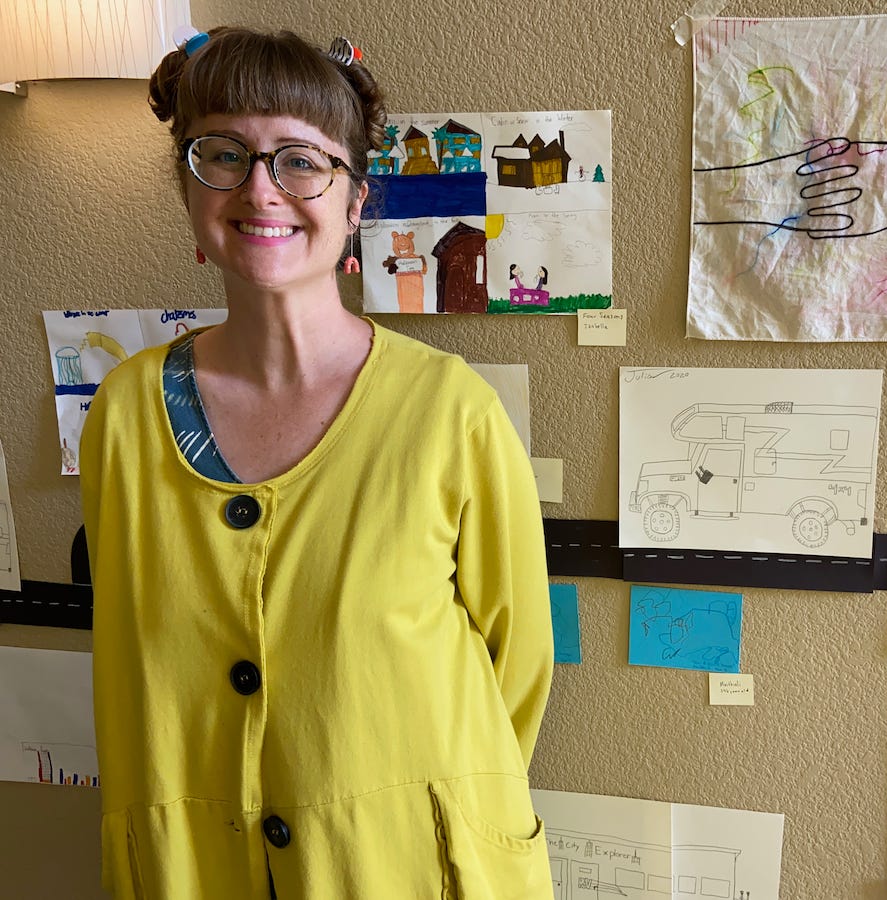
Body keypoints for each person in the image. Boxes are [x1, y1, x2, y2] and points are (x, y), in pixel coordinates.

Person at [79, 27, 554, 900]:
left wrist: (417, 811)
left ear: (355, 202)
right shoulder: (125, 416)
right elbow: (131, 664)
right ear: (188, 188)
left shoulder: (452, 413)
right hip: (196, 869)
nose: (260, 188)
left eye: (301, 161)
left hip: (404, 869)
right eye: (224, 154)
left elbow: (517, 672)